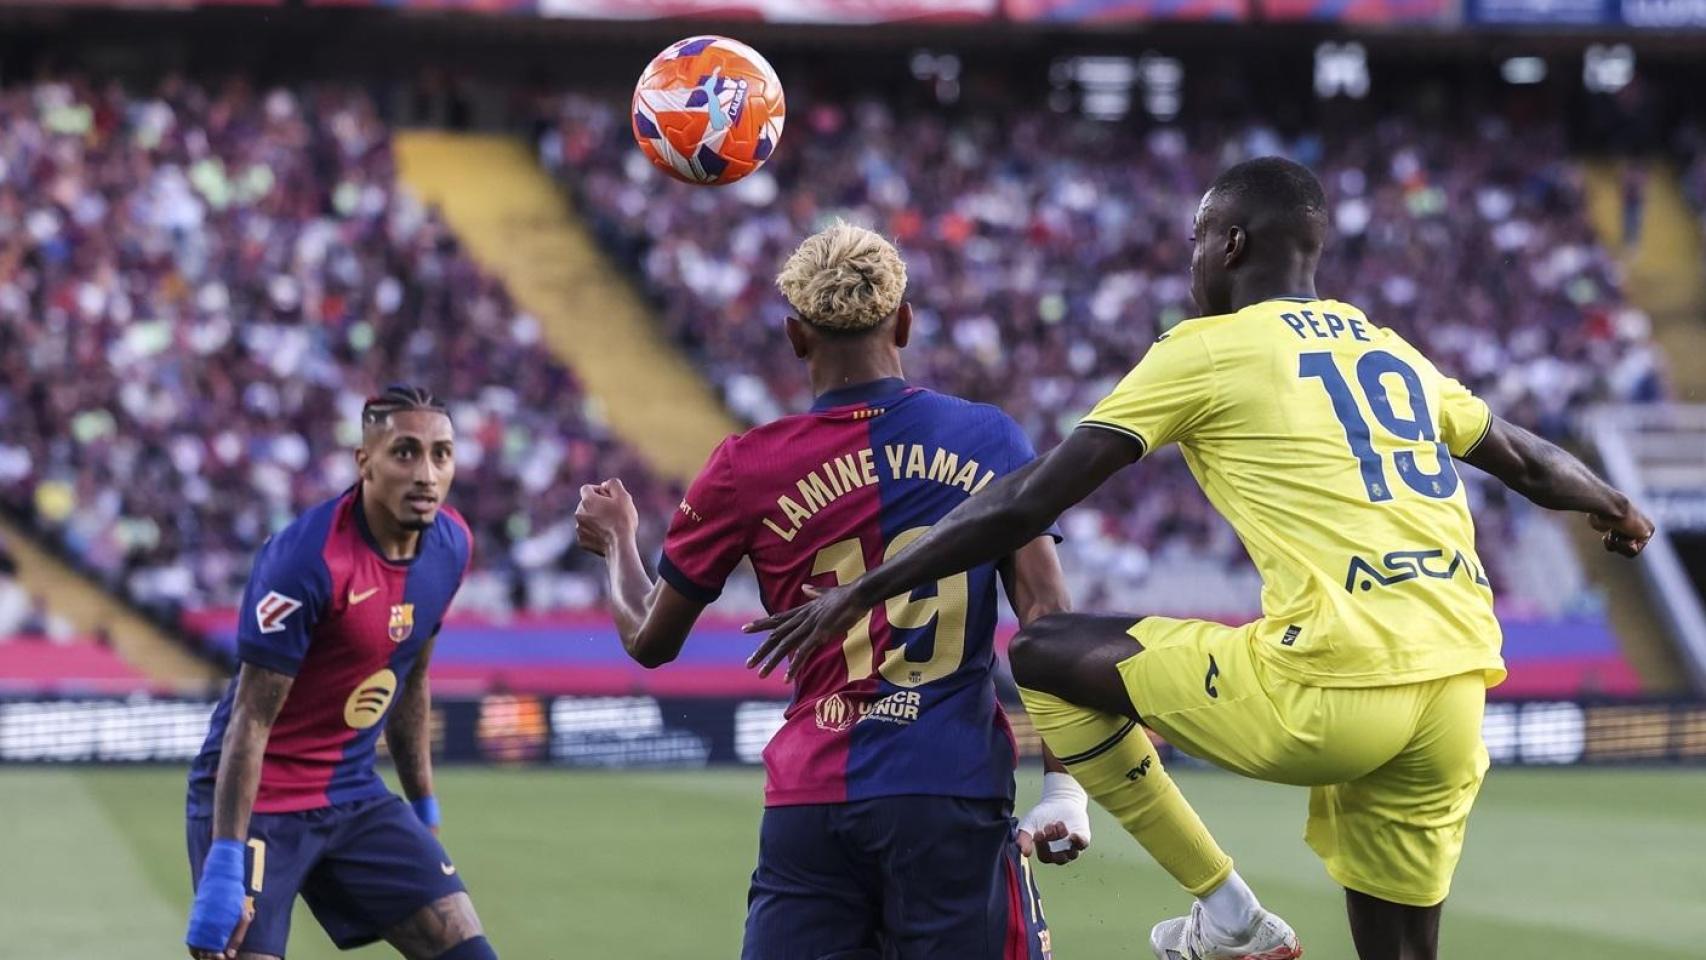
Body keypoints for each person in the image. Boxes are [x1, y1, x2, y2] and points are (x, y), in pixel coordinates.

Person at [745, 158, 1655, 960]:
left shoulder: (1207, 351)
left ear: (1228, 245)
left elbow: (1030, 499)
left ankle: (1226, 913)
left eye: (1194, 239)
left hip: (1331, 688)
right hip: (1456, 690)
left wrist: (865, 586)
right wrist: (1612, 504)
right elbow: (1530, 459)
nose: (1188, 260)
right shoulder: (1390, 350)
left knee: (1046, 653)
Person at [576, 222, 1291, 959]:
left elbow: (650, 639)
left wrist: (618, 542)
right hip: (951, 795)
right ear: (906, 322)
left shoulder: (743, 467)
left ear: (795, 336)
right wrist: (1063, 788)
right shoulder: (987, 438)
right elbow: (1049, 622)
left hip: (812, 803)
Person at [183, 385, 496, 960]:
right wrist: (225, 860)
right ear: (365, 462)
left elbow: (412, 679)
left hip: (351, 793)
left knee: (466, 949)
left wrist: (423, 808)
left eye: (442, 454)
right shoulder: (306, 560)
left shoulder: (451, 545)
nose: (426, 473)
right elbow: (250, 721)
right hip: (260, 801)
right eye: (405, 452)